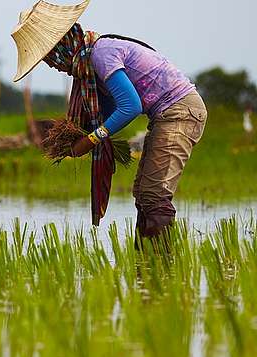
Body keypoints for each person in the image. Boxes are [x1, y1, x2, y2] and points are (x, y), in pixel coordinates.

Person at [11, 0, 207, 240]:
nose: (53, 66)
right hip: (166, 115)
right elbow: (112, 107)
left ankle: (161, 268)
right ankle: (145, 266)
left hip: (180, 111)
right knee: (144, 193)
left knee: (155, 194)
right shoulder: (90, 65)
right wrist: (77, 131)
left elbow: (130, 106)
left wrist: (90, 140)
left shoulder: (101, 55)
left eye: (50, 58)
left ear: (61, 47)